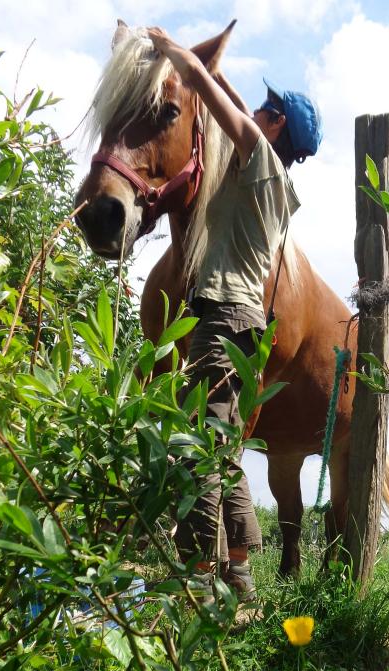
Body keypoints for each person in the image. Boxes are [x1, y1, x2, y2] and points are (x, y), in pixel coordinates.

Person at [147, 27, 322, 602]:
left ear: (276, 126)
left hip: (221, 317)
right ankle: (241, 574)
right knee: (222, 447)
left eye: (267, 109)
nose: (258, 111)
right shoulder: (273, 178)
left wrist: (177, 54)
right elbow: (236, 107)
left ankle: (200, 578)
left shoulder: (258, 158)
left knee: (200, 446)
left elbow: (213, 97)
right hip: (245, 323)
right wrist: (211, 66)